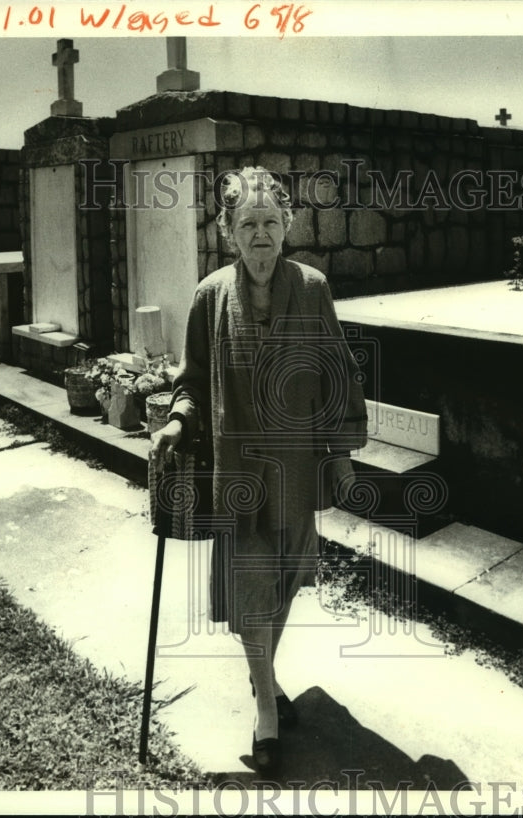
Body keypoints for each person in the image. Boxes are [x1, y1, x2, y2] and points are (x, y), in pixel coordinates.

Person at [149, 167, 367, 774]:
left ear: (288, 226)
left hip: (296, 470)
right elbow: (192, 383)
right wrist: (175, 423)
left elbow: (335, 372)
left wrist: (343, 457)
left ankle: (262, 680)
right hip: (238, 471)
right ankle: (266, 708)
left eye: (272, 222)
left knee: (287, 581)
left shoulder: (314, 287)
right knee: (251, 591)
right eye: (249, 224)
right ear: (228, 232)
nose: (262, 235)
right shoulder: (210, 296)